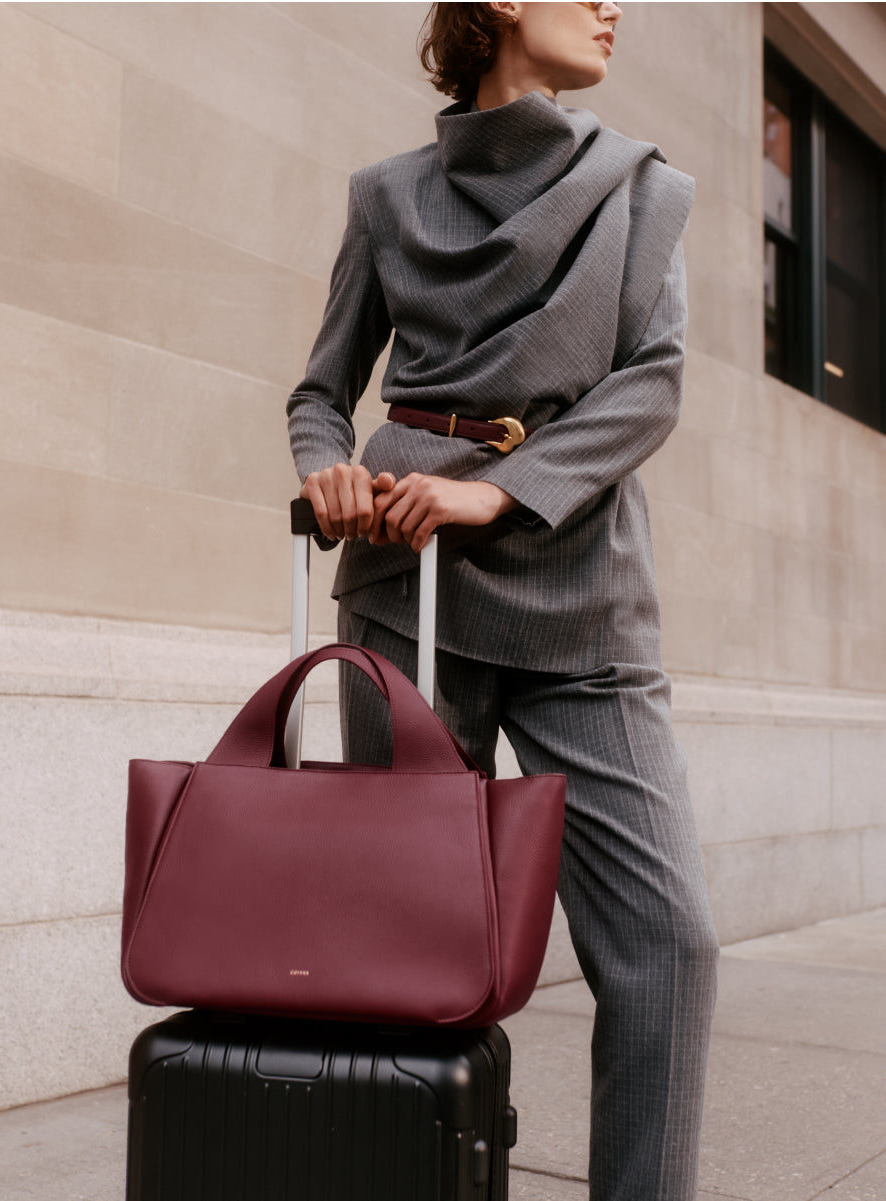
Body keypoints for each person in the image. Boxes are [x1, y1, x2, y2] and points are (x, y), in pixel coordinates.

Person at [287, 4, 719, 1198]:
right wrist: (324, 464)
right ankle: (425, 1168)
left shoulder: (644, 188)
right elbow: (321, 389)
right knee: (406, 942)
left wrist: (503, 492)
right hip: (402, 591)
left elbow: (652, 386)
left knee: (667, 943)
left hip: (583, 590)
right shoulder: (385, 196)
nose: (612, 8)